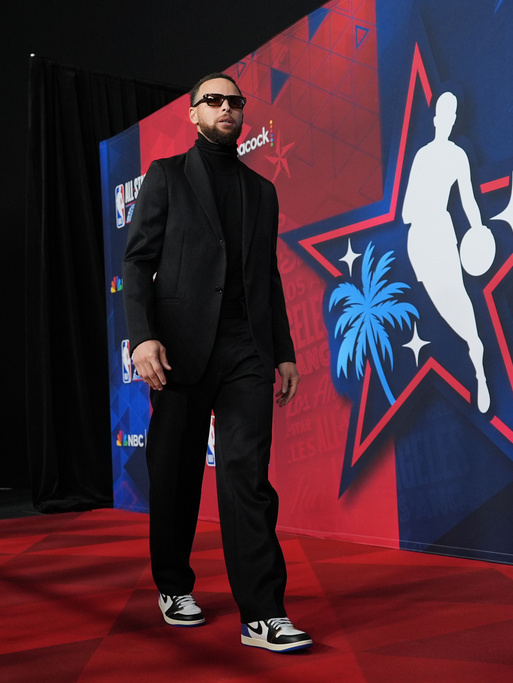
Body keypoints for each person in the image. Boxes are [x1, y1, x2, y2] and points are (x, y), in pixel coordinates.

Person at [122, 72, 310, 653]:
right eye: (214, 101)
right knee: (175, 472)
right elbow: (136, 263)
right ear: (194, 114)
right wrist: (143, 338)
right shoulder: (167, 177)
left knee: (246, 476)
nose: (227, 108)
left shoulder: (263, 191)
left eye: (235, 102)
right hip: (178, 349)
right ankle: (174, 585)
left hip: (246, 351)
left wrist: (282, 351)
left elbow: (268, 279)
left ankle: (262, 612)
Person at [402, 91, 490, 413]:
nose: (447, 120)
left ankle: (477, 357)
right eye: (443, 114)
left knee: (458, 296)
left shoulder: (457, 157)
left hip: (441, 231)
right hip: (420, 239)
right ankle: (473, 345)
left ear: (453, 120)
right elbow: (407, 211)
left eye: (452, 115)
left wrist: (479, 230)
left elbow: (469, 200)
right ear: (437, 118)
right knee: (443, 302)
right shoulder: (422, 156)